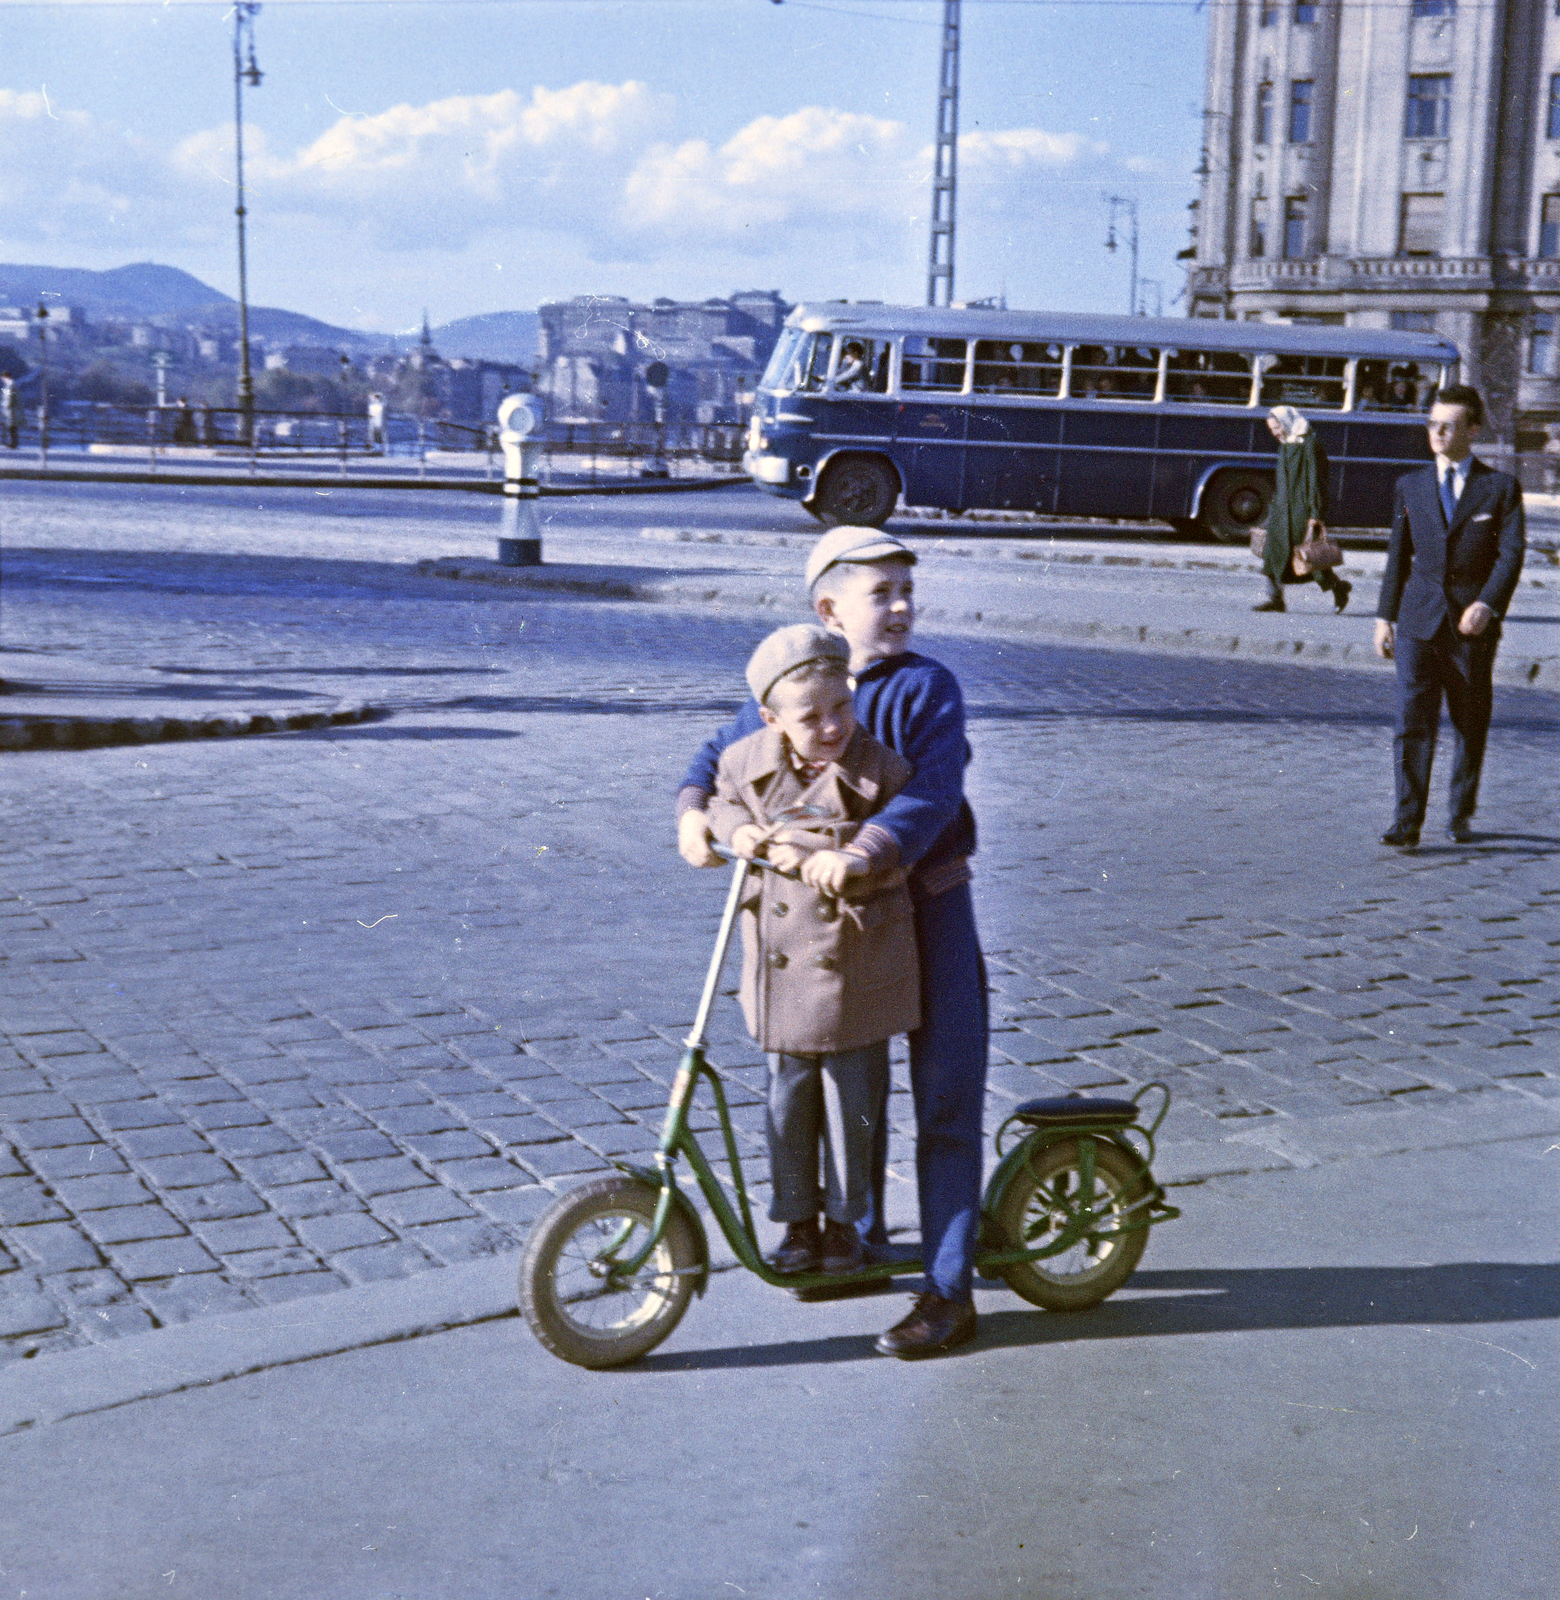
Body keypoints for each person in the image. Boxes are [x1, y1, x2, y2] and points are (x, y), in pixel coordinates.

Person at [677, 526, 986, 1359]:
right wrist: (692, 815)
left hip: (927, 903)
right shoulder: (792, 683)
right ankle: (846, 1234)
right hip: (836, 927)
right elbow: (719, 757)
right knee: (830, 1070)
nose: (901, 608)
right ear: (828, 608)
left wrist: (866, 850)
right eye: (880, 594)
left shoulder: (927, 688)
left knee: (945, 1087)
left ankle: (948, 1288)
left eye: (905, 592)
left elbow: (932, 792)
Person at [706, 624, 920, 1280]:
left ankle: (846, 1223)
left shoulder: (878, 766)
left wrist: (848, 857)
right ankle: (798, 1219)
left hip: (854, 965)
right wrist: (736, 830)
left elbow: (906, 843)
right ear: (771, 718)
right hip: (781, 970)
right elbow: (718, 803)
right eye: (810, 717)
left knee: (852, 1103)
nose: (831, 728)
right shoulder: (746, 761)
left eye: (841, 709)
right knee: (787, 1100)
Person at [1375, 384, 1526, 848]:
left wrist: (1488, 603)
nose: (1437, 433)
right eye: (1432, 424)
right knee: (1410, 719)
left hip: (1470, 627)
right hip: (1418, 622)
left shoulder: (1498, 488)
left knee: (1468, 720)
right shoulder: (1411, 485)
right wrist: (1384, 618)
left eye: (1448, 425)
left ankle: (1459, 813)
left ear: (1473, 430)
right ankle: (1406, 821)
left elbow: (1511, 554)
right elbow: (1398, 556)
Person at [1254, 405, 1352, 614]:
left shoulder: (1310, 444)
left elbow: (1317, 482)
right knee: (1272, 554)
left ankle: (1339, 589)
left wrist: (1316, 514)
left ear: (1287, 423)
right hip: (1281, 511)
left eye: (1277, 428)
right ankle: (1275, 599)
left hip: (1301, 512)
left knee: (1310, 559)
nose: (1275, 433)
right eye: (1272, 430)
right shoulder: (1285, 445)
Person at [1, 374, 18, 449]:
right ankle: (12, 442)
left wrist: (4, 405)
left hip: (11, 410)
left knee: (12, 427)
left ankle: (13, 443)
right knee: (11, 427)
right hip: (10, 410)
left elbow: (9, 399)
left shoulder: (10, 386)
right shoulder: (10, 386)